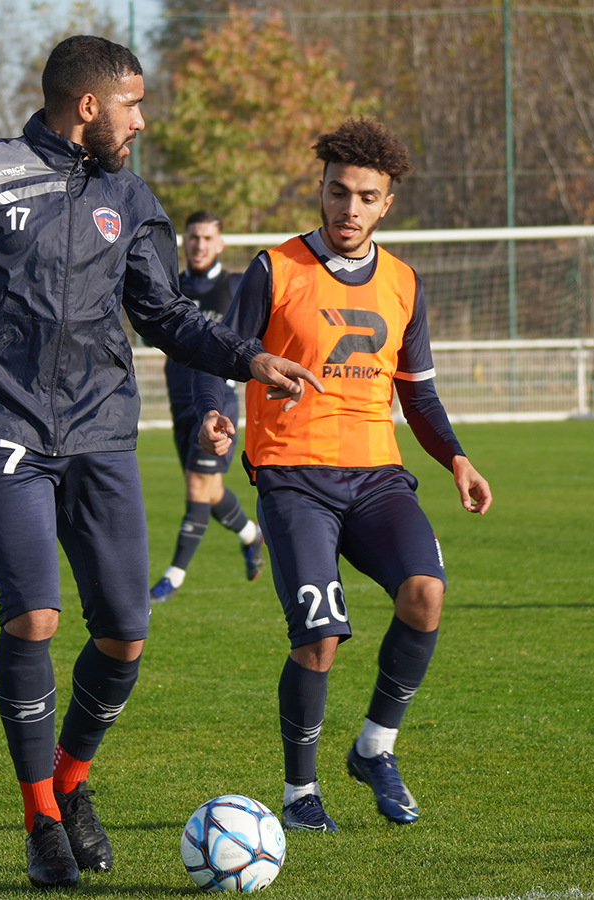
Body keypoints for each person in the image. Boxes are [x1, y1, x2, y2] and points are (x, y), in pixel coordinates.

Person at [0, 35, 320, 890]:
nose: (142, 121)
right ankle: (41, 817)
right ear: (89, 106)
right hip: (3, 425)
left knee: (124, 633)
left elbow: (164, 313)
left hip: (103, 431)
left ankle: (72, 787)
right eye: (134, 104)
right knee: (34, 617)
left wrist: (246, 358)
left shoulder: (130, 194)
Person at [195, 117, 492, 834]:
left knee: (425, 594)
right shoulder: (274, 268)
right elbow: (225, 354)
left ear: (386, 202)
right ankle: (300, 794)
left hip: (376, 476)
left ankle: (374, 748)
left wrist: (454, 455)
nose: (348, 209)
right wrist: (218, 416)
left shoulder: (403, 284)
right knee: (319, 637)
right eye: (337, 192)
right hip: (293, 477)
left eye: (365, 197)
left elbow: (416, 393)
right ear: (320, 190)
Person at [149, 211, 265, 604]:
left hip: (217, 403)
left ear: (220, 244)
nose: (198, 244)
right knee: (209, 491)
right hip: (179, 402)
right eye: (193, 237)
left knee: (198, 489)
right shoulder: (171, 287)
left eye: (206, 238)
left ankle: (172, 578)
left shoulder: (235, 287)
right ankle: (252, 535)